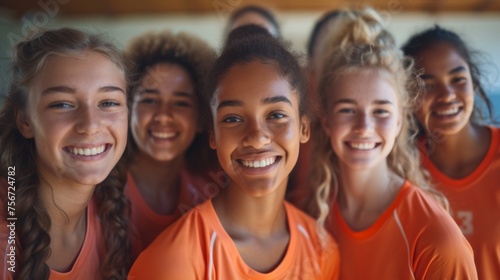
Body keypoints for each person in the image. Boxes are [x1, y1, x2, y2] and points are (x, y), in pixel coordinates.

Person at [128, 25, 340, 279]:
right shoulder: (174, 260)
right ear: (213, 136)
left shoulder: (321, 250)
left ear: (304, 128)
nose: (257, 138)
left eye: (276, 115)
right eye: (233, 119)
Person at [309, 8, 478, 279]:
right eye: (347, 110)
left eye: (381, 111)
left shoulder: (436, 238)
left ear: (400, 121)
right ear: (326, 120)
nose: (364, 127)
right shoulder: (313, 217)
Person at [0, 28, 133, 279]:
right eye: (62, 104)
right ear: (25, 120)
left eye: (108, 103)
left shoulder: (112, 213)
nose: (91, 125)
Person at [402, 26, 500, 279]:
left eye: (457, 80)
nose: (446, 95)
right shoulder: (401, 170)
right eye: (428, 84)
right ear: (409, 96)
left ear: (474, 83)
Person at [124, 30, 222, 248]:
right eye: (149, 100)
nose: (163, 115)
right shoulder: (99, 191)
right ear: (128, 109)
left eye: (180, 103)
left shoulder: (209, 198)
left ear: (201, 118)